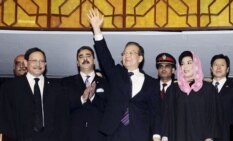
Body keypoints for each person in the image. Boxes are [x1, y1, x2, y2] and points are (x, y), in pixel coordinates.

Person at [88, 9, 161, 141]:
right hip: (113, 133)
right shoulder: (116, 74)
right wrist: (97, 30)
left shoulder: (152, 83)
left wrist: (156, 135)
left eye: (131, 53)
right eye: (124, 53)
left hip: (140, 134)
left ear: (140, 58)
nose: (127, 55)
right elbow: (105, 58)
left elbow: (155, 111)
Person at [0, 47, 70, 141]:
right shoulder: (10, 87)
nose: (38, 64)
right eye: (34, 60)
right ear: (26, 63)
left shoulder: (57, 89)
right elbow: (4, 117)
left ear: (45, 64)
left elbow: (63, 119)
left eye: (42, 61)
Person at [162, 51, 220, 141]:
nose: (185, 66)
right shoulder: (173, 89)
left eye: (189, 62)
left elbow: (212, 115)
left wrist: (209, 137)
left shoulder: (208, 89)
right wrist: (165, 136)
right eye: (182, 64)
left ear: (196, 64)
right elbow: (167, 115)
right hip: (178, 135)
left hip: (201, 136)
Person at [61, 46, 109, 141]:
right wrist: (82, 99)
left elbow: (110, 109)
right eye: (81, 56)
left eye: (88, 56)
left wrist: (93, 97)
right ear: (77, 62)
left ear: (94, 60)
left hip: (99, 136)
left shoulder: (107, 83)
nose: (85, 59)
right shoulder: (66, 82)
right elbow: (61, 109)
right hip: (73, 135)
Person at [210, 54, 233, 141]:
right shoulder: (203, 89)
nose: (218, 68)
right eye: (215, 65)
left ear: (227, 69)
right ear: (211, 69)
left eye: (222, 65)